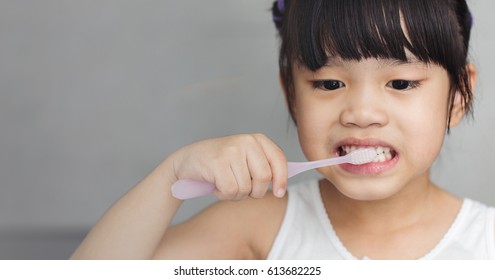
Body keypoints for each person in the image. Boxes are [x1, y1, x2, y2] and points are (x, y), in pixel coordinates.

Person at [71, 0, 495, 260]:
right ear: (292, 95)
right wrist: (172, 175)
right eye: (329, 84)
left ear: (458, 97)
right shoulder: (258, 227)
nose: (362, 113)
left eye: (400, 84)